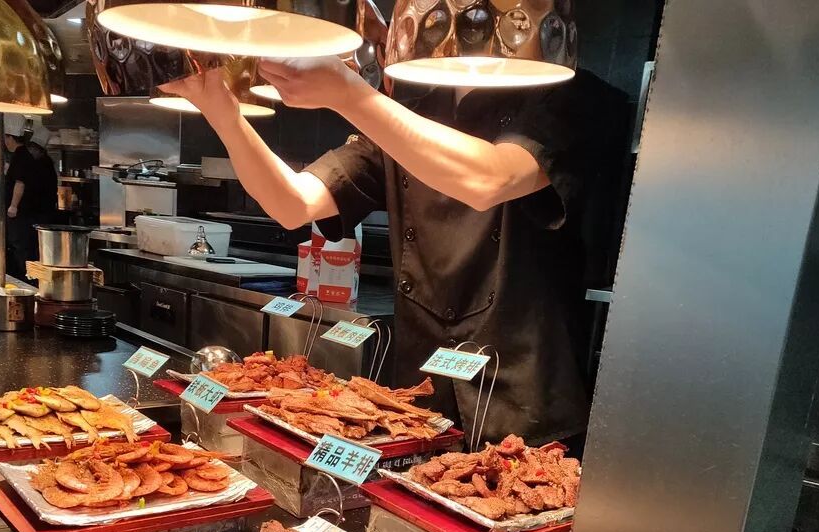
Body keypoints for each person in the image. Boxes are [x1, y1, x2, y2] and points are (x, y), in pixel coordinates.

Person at [160, 58, 623, 443]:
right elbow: (293, 203)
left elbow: (489, 179)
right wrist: (222, 112)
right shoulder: (414, 109)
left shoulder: (572, 95)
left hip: (526, 400)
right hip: (422, 396)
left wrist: (351, 95)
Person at [4, 115, 58, 275]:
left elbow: (20, 182)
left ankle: (28, 279)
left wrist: (13, 206)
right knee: (28, 249)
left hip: (26, 215)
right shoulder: (34, 159)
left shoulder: (22, 156)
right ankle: (30, 277)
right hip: (35, 214)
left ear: (9, 138)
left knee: (23, 250)